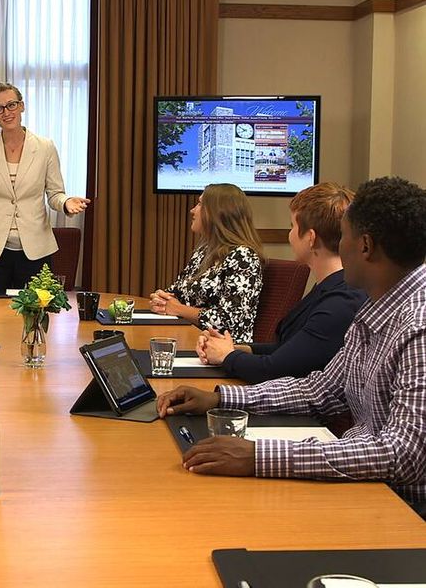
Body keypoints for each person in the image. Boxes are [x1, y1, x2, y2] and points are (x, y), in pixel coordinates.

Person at [157, 176, 426, 515]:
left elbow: (403, 455)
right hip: (370, 488)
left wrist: (260, 456)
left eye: (343, 235)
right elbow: (321, 390)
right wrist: (221, 398)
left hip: (403, 509)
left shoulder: (418, 326)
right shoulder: (377, 306)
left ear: (365, 246)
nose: (338, 246)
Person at [196, 183, 367, 383]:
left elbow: (274, 370)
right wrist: (233, 348)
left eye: (292, 226)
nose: (290, 234)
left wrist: (227, 356)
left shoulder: (340, 302)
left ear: (311, 238)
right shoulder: (331, 288)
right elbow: (290, 350)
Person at [0, 82, 91, 292]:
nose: (6, 112)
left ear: (22, 106)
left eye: (11, 105)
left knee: (36, 309)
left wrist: (66, 202)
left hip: (36, 249)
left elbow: (55, 193)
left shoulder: (45, 147)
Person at [149, 183, 264, 343]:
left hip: (222, 348)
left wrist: (179, 309)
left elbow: (231, 320)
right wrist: (161, 299)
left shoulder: (243, 257)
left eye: (200, 204)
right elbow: (177, 292)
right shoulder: (204, 251)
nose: (192, 210)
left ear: (217, 213)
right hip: (191, 338)